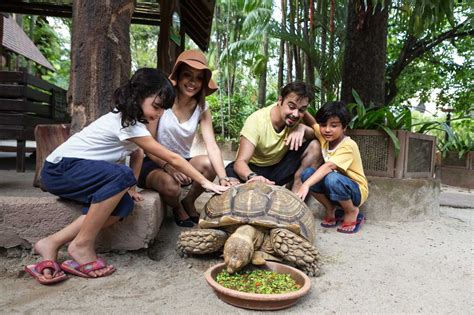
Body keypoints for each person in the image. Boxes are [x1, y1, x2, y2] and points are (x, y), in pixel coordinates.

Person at [25, 68, 228, 285]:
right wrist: (206, 182)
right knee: (123, 174)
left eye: (163, 110)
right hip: (58, 169)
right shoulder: (125, 122)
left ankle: (51, 242)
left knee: (124, 206)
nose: (158, 114)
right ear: (139, 95)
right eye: (157, 107)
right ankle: (81, 245)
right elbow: (173, 159)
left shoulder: (135, 123)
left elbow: (137, 153)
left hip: (76, 171)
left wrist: (129, 188)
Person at [138, 50, 238, 228]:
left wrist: (223, 178)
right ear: (178, 76)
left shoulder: (202, 107)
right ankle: (177, 207)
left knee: (209, 163)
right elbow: (148, 144)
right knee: (171, 187)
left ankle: (189, 201)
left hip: (183, 161)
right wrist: (168, 166)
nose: (193, 82)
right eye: (187, 75)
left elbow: (212, 146)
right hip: (154, 161)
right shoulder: (162, 100)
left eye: (199, 78)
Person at [225, 82, 321, 193]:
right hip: (250, 170)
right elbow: (240, 162)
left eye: (301, 110)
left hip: (277, 169)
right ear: (280, 100)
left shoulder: (298, 117)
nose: (295, 114)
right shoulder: (256, 121)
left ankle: (296, 198)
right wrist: (253, 176)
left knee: (315, 146)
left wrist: (302, 128)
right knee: (232, 189)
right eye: (291, 107)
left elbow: (318, 132)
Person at [296, 101, 368, 234]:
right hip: (333, 187)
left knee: (331, 177)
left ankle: (351, 211)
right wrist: (301, 108)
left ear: (344, 127)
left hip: (355, 191)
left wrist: (305, 185)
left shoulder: (348, 145)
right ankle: (331, 209)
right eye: (324, 125)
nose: (327, 129)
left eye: (334, 126)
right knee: (308, 174)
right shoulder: (325, 137)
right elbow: (313, 123)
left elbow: (329, 166)